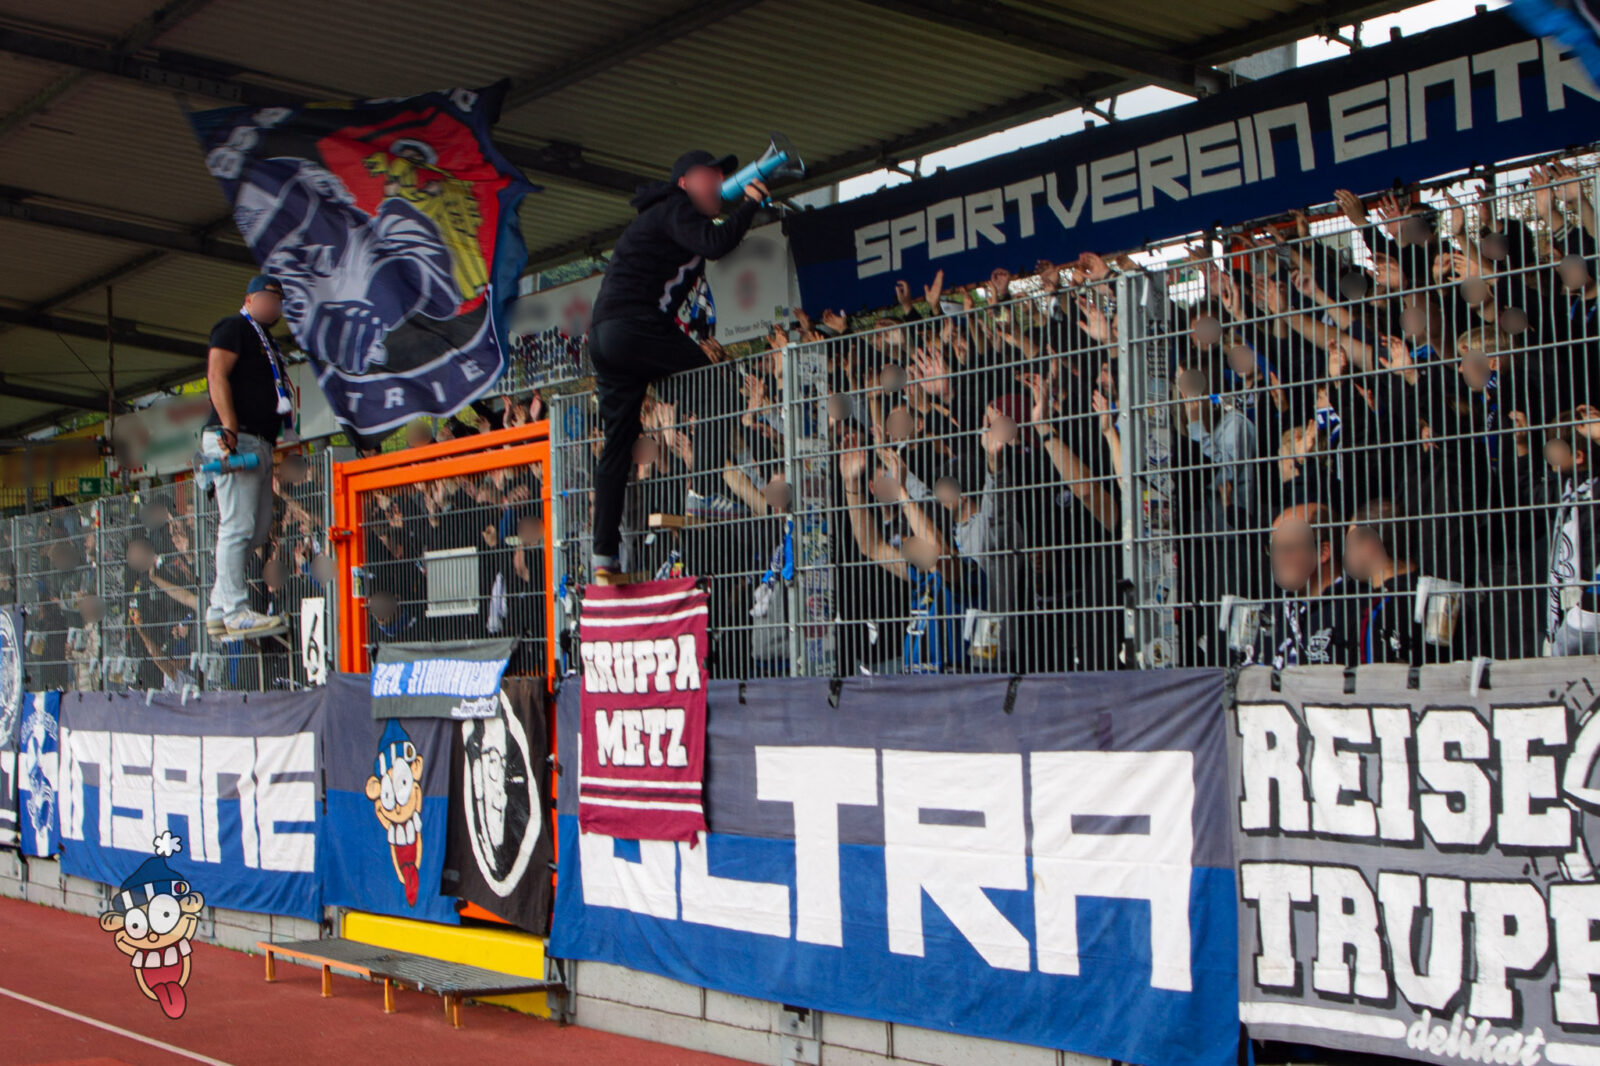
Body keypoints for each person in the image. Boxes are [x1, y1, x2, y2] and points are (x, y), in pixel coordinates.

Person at [586, 148, 768, 584]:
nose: (719, 183)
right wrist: (749, 204)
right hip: (635, 326)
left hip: (607, 337)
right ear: (684, 181)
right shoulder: (674, 206)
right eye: (711, 175)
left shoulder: (669, 217)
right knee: (719, 385)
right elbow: (717, 244)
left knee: (618, 443)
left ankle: (603, 555)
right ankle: (703, 492)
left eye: (723, 176)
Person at [201, 274, 292, 640]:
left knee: (256, 529)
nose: (275, 305)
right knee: (237, 526)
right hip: (237, 441)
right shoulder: (234, 327)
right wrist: (229, 426)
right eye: (268, 297)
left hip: (260, 442)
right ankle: (236, 611)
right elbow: (216, 374)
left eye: (279, 300)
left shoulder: (266, 339)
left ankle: (216, 608)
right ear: (250, 299)